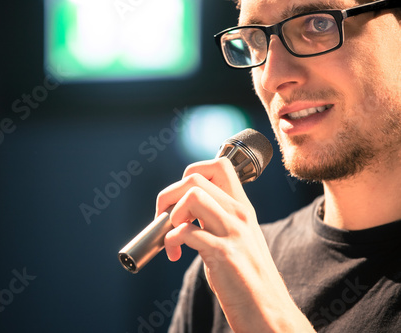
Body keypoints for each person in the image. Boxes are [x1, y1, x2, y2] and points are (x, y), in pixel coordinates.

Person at [158, 0, 401, 331]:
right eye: (255, 40)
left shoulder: (248, 283)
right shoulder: (225, 271)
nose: (272, 77)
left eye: (317, 25)